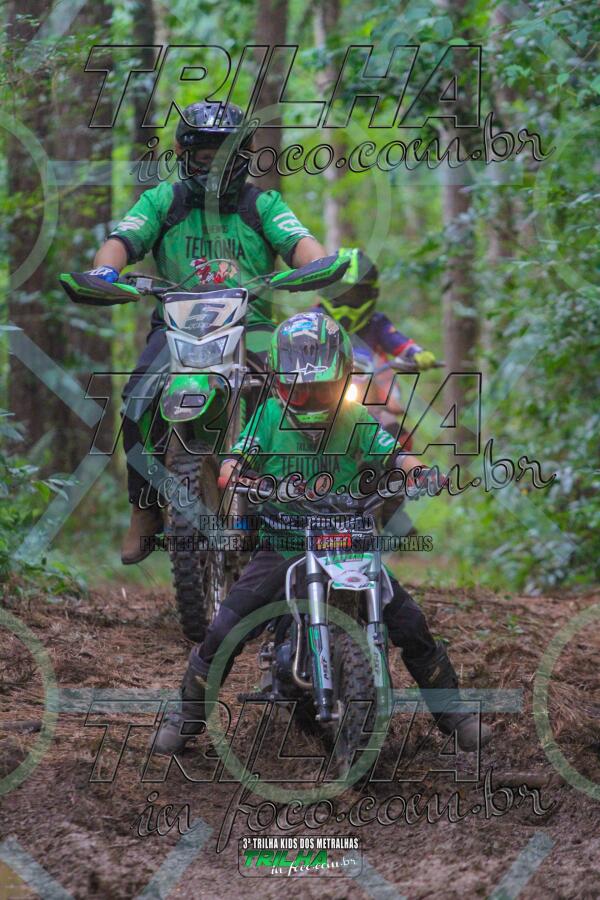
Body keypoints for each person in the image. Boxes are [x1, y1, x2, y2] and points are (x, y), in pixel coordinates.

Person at [151, 311, 492, 756]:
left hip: (349, 539)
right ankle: (186, 716)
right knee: (225, 628)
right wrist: (236, 474)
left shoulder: (354, 418)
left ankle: (456, 715)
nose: (309, 399)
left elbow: (393, 454)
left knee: (410, 623)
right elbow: (237, 458)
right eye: (298, 389)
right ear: (278, 383)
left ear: (343, 378)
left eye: (321, 388)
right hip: (286, 543)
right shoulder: (268, 415)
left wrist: (419, 471)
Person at [85, 101, 328, 564]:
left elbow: (299, 241)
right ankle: (144, 508)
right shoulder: (164, 201)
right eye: (204, 156)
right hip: (178, 325)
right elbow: (121, 241)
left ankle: (303, 499)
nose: (215, 167)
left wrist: (317, 264)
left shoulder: (261, 205)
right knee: (138, 397)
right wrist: (104, 272)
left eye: (227, 155)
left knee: (296, 393)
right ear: (183, 154)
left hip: (251, 325)